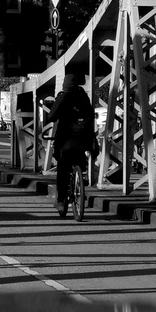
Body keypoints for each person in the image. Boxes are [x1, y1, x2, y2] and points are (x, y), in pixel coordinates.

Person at [50, 73, 96, 216]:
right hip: (83, 140)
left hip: (65, 141)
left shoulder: (63, 97)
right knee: (80, 160)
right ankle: (81, 180)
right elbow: (91, 114)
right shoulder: (83, 97)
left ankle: (61, 199)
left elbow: (51, 117)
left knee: (62, 168)